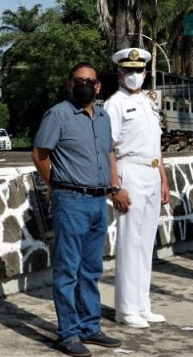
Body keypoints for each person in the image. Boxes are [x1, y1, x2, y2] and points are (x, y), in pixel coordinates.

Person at [32, 62, 123, 356]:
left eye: (90, 81)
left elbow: (107, 152)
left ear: (98, 86)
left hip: (98, 200)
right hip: (71, 200)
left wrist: (113, 187)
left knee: (91, 269)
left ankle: (90, 326)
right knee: (68, 270)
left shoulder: (104, 116)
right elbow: (40, 153)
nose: (84, 84)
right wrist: (54, 184)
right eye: (78, 80)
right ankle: (68, 334)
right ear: (70, 84)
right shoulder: (58, 114)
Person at [103, 48, 169, 328]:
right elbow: (108, 147)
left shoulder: (149, 103)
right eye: (128, 71)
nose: (134, 75)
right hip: (129, 171)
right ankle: (126, 309)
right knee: (130, 243)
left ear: (146, 72)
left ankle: (142, 304)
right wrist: (115, 185)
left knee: (145, 244)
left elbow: (156, 146)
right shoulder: (115, 104)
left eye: (138, 70)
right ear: (119, 73)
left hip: (152, 171)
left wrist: (164, 179)